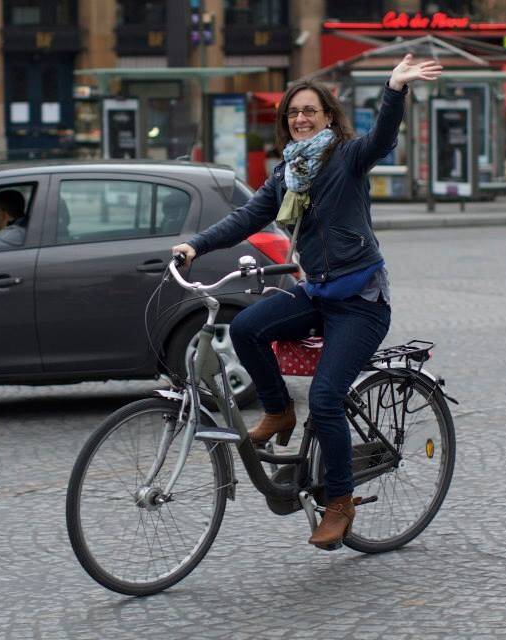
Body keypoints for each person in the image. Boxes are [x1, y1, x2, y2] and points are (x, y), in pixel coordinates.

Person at [171, 54, 442, 550]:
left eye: (310, 111)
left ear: (328, 117)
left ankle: (339, 503)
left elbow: (383, 138)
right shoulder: (288, 174)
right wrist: (197, 245)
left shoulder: (348, 156)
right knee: (248, 328)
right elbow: (248, 216)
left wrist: (394, 90)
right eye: (293, 112)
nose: (300, 119)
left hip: (361, 302)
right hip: (318, 291)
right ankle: (278, 411)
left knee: (325, 397)